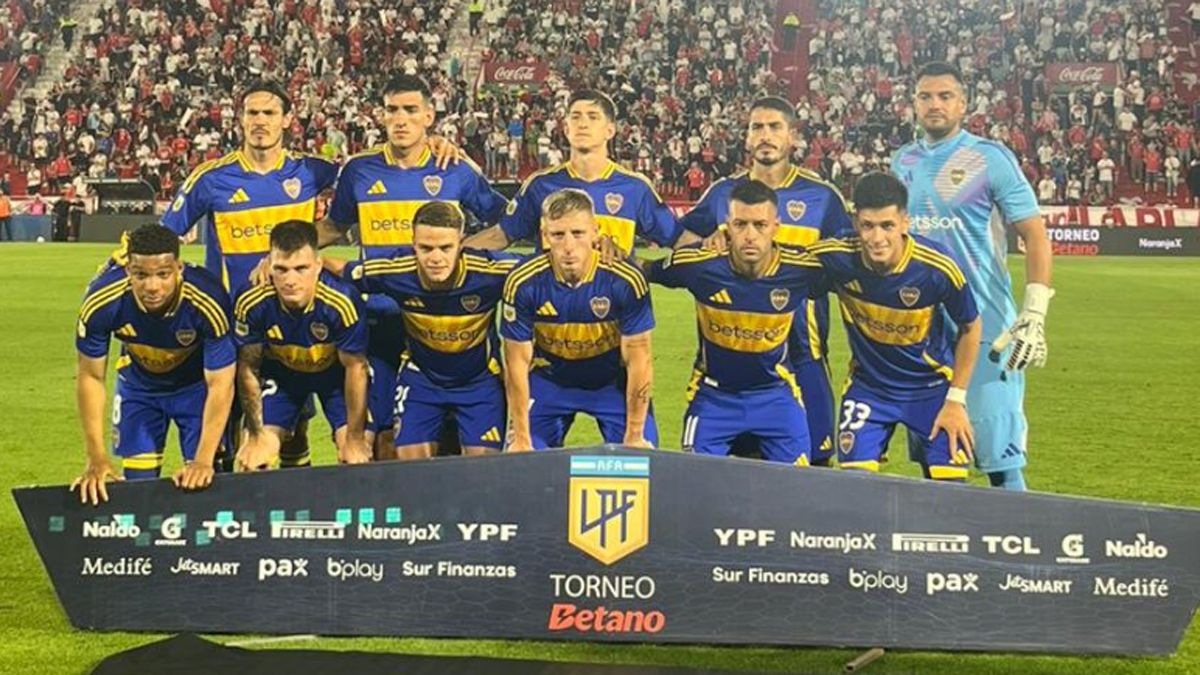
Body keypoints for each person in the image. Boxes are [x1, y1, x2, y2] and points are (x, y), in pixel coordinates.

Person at [326, 74, 508, 457]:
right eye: (392, 110)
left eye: (410, 110)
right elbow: (333, 227)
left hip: (442, 320)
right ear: (381, 116)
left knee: (451, 441)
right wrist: (284, 252)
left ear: (429, 116)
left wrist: (462, 251)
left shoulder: (455, 169)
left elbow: (506, 224)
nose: (400, 119)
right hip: (380, 322)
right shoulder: (359, 170)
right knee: (382, 439)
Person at [892, 62, 1053, 491]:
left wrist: (1034, 313)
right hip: (924, 330)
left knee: (1001, 461)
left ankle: (1017, 536)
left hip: (985, 325)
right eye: (926, 96)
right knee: (940, 459)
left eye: (945, 96)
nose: (935, 104)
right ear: (913, 104)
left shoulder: (989, 158)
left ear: (963, 104)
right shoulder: (902, 160)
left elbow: (1035, 234)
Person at [680, 96, 852, 465]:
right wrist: (708, 245)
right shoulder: (722, 193)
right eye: (757, 127)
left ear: (793, 136)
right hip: (736, 356)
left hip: (805, 352)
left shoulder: (822, 197)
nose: (765, 135)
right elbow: (682, 244)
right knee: (729, 469)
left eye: (775, 127)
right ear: (746, 137)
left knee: (813, 468)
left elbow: (848, 265)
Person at [807, 173, 982, 481]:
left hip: (931, 389)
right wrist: (724, 239)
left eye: (887, 226)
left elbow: (971, 326)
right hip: (869, 389)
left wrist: (956, 400)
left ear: (904, 223)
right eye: (868, 226)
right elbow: (777, 261)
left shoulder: (937, 268)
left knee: (950, 490)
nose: (877, 238)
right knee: (853, 487)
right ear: (855, 222)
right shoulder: (835, 256)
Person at [644, 180, 823, 465]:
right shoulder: (699, 265)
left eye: (760, 225)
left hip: (776, 396)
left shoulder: (802, 268)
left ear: (776, 226)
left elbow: (855, 270)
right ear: (728, 226)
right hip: (714, 396)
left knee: (797, 485)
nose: (750, 235)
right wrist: (602, 249)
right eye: (741, 224)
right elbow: (643, 270)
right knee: (693, 481)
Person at [330, 201, 520, 459]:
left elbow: (540, 269)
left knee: (483, 468)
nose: (436, 258)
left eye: (445, 248)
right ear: (413, 244)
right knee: (412, 469)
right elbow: (341, 269)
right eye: (426, 248)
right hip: (422, 379)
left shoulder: (492, 271)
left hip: (479, 381)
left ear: (461, 244)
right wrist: (293, 265)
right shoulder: (395, 269)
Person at [70, 224, 235, 504]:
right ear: (128, 271)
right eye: (141, 275)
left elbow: (221, 383)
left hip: (196, 390)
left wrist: (203, 460)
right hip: (139, 388)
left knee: (207, 484)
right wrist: (95, 457)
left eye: (163, 274)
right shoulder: (102, 301)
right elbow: (90, 377)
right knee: (138, 488)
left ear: (179, 268)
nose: (152, 286)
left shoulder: (208, 299)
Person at [501, 189, 655, 451]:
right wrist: (522, 439)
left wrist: (635, 434)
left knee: (639, 460)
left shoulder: (625, 280)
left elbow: (639, 359)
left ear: (595, 232)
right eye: (558, 235)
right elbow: (516, 363)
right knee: (522, 460)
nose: (569, 246)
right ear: (544, 235)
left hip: (611, 383)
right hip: (550, 380)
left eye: (578, 233)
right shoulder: (523, 281)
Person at [465, 90, 694, 255]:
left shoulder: (635, 188)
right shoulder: (541, 185)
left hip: (615, 306)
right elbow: (501, 235)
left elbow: (678, 238)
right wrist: (451, 251)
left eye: (593, 117)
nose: (582, 124)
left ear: (610, 130)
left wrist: (718, 250)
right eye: (575, 117)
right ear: (566, 129)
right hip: (553, 306)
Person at [232, 221, 370, 470]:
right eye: (281, 269)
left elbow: (355, 368)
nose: (290, 280)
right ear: (268, 266)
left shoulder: (342, 301)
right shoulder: (251, 301)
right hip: (283, 377)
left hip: (335, 377)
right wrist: (255, 434)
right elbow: (248, 368)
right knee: (254, 460)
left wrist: (355, 438)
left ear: (318, 265)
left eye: (301, 269)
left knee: (356, 459)